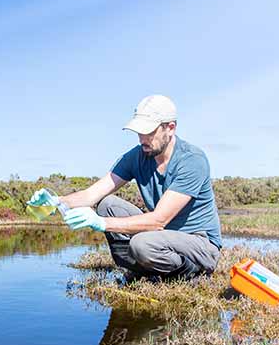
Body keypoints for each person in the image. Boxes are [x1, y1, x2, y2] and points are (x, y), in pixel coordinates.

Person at [30, 95, 222, 280]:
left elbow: (158, 220)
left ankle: (190, 273)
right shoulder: (137, 156)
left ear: (170, 128)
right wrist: (57, 201)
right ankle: (141, 268)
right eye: (139, 132)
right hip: (162, 238)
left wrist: (101, 222)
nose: (142, 139)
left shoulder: (192, 160)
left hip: (200, 243)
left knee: (142, 244)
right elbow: (92, 195)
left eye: (149, 132)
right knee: (107, 204)